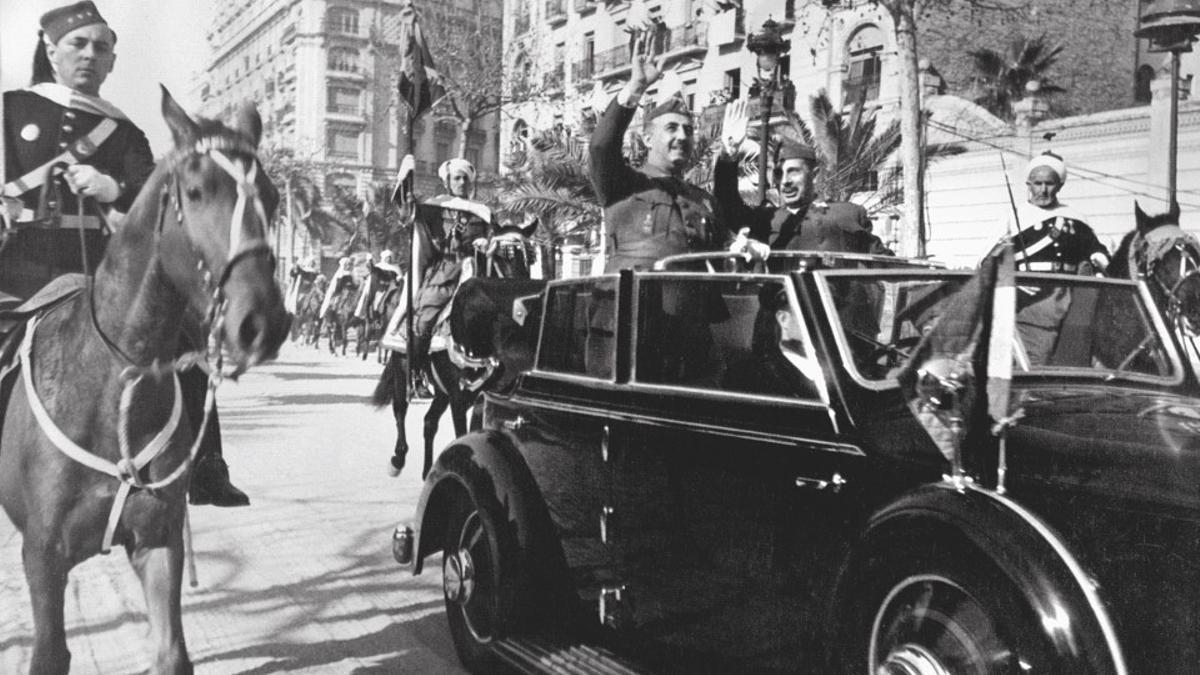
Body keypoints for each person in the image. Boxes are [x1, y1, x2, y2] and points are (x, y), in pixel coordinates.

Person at [1, 2, 248, 507]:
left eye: (101, 48)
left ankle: (205, 466)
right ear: (51, 50)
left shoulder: (125, 132)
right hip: (17, 270)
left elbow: (154, 205)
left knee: (186, 342)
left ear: (113, 61)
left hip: (94, 275)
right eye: (78, 44)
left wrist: (111, 185)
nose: (90, 55)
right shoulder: (9, 110)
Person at [588, 25, 733, 272]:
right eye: (672, 128)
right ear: (646, 138)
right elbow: (601, 146)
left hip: (694, 307)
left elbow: (724, 249)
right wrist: (635, 88)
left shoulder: (704, 201)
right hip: (634, 304)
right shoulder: (623, 183)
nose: (682, 136)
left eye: (688, 130)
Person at [713, 99, 891, 256]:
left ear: (813, 174)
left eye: (793, 171)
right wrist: (729, 153)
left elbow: (884, 263)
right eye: (778, 173)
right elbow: (728, 204)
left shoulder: (849, 214)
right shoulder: (764, 219)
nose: (785, 181)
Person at [993, 151, 1110, 364]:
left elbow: (1094, 247)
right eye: (1037, 183)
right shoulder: (1013, 217)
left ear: (1060, 186)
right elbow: (989, 261)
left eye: (1049, 183)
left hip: (1068, 297)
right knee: (1035, 360)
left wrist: (1101, 257)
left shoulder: (1074, 216)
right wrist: (1011, 280)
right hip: (1028, 300)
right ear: (1028, 184)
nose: (1043, 189)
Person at [383, 158, 494, 376]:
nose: (462, 183)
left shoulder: (482, 212)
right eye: (457, 178)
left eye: (465, 179)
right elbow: (405, 213)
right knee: (425, 315)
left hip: (476, 271)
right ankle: (417, 369)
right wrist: (406, 178)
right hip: (444, 271)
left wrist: (488, 243)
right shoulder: (433, 208)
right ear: (448, 182)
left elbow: (494, 237)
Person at [723, 285, 822, 399]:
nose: (827, 324)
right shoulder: (746, 377)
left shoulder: (840, 364)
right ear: (783, 319)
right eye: (814, 315)